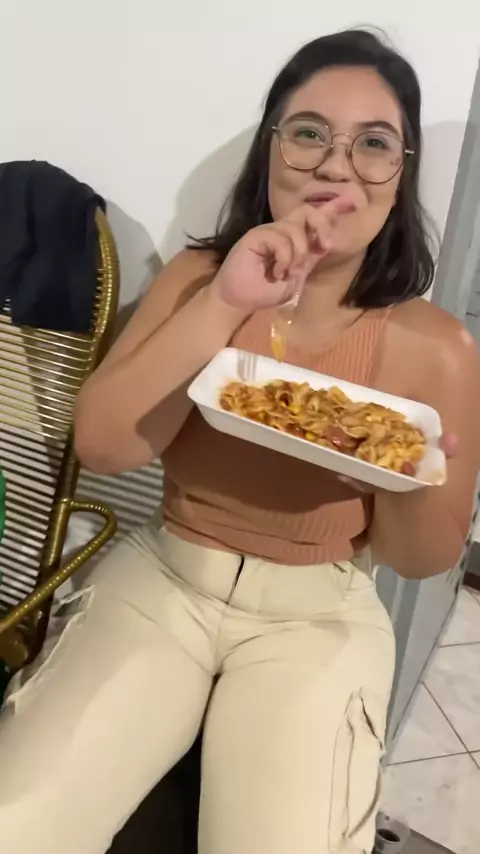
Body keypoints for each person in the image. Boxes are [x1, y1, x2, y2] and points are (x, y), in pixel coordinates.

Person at [0, 28, 479, 854]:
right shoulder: (200, 277)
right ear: (271, 151)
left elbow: (419, 559)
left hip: (318, 614)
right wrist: (224, 303)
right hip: (164, 576)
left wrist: (407, 467)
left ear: (400, 175)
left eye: (373, 144)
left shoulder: (437, 347)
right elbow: (106, 446)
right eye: (309, 133)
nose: (336, 167)